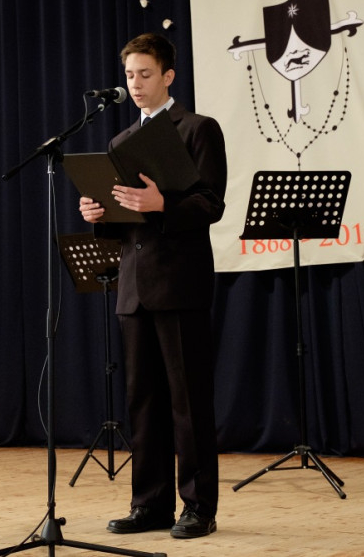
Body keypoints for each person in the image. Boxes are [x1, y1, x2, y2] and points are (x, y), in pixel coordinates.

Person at [79, 33, 227, 539]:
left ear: (168, 76)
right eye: (129, 75)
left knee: (188, 401)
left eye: (145, 74)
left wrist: (163, 204)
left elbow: (211, 204)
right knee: (143, 403)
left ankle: (199, 506)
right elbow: (124, 221)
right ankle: (150, 504)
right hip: (134, 287)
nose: (135, 84)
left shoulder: (198, 128)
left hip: (180, 283)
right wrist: (98, 214)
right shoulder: (120, 141)